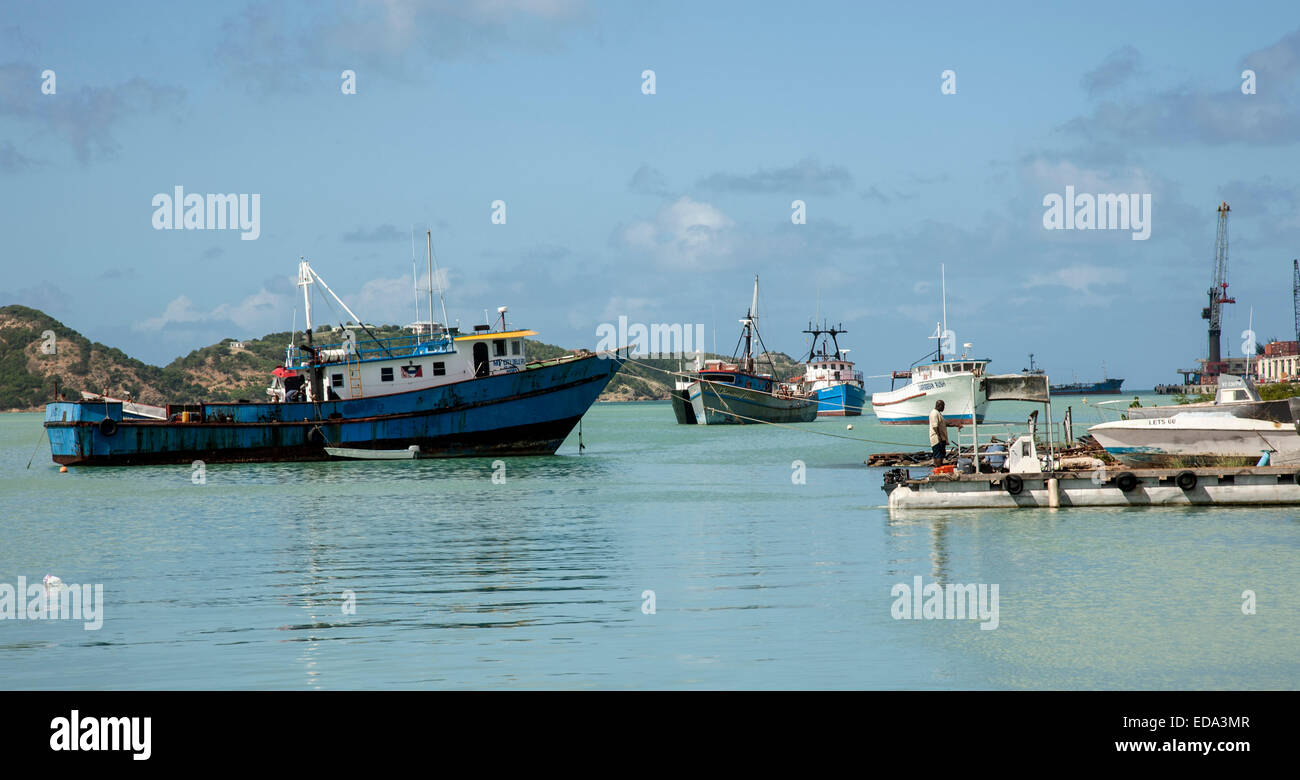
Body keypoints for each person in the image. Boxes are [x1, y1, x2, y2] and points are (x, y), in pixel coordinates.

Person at [929, 400, 949, 467]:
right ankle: (938, 469)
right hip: (937, 439)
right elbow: (935, 426)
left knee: (941, 455)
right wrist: (939, 437)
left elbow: (945, 424)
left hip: (941, 438)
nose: (944, 408)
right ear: (939, 405)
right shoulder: (934, 413)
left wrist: (956, 424)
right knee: (938, 455)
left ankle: (939, 469)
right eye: (943, 406)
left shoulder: (938, 413)